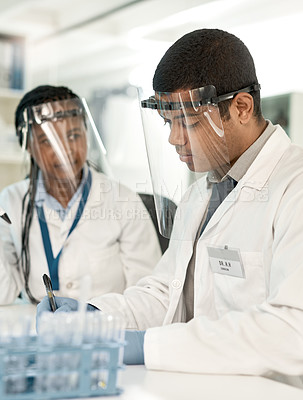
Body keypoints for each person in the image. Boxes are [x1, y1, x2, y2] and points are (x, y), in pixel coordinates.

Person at [37, 30, 303, 387]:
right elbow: (166, 292)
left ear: (241, 107)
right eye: (168, 123)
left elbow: (290, 329)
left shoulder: (293, 187)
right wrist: (96, 316)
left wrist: (143, 346)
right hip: (194, 385)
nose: (174, 139)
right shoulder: (198, 197)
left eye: (188, 122)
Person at [0, 85, 161, 305]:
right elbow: (4, 291)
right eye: (47, 140)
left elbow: (148, 296)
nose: (64, 149)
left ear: (86, 133)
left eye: (73, 135)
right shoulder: (11, 201)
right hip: (40, 330)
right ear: (28, 146)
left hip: (106, 330)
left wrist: (99, 317)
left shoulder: (124, 201)